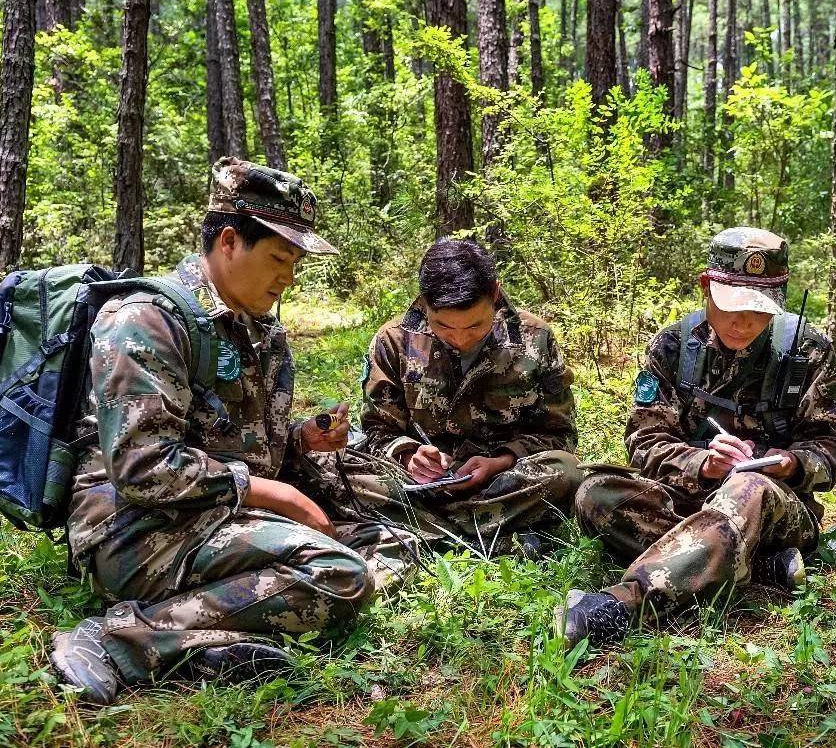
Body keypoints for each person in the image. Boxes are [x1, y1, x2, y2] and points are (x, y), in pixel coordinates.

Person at [51, 157, 381, 704]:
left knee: (385, 538)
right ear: (229, 241)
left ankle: (210, 649)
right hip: (139, 530)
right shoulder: (145, 319)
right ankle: (116, 642)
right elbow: (141, 467)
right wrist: (267, 491)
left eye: (296, 262)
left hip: (214, 514)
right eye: (279, 257)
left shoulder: (259, 327)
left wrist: (301, 441)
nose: (288, 277)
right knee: (340, 572)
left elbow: (246, 442)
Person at [557, 228, 836, 649]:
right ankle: (754, 564)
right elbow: (645, 439)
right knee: (596, 493)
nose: (743, 321)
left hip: (776, 510)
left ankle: (622, 607)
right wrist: (703, 464)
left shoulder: (808, 351)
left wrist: (788, 463)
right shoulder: (676, 345)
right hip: (690, 495)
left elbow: (835, 446)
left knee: (747, 485)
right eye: (731, 305)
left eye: (759, 309)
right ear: (706, 287)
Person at [313, 238, 583, 556]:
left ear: (494, 294)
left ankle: (429, 532)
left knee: (566, 473)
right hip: (415, 484)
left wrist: (501, 461)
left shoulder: (534, 340)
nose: (459, 338)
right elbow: (377, 430)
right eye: (443, 326)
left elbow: (558, 433)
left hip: (499, 482)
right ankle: (485, 533)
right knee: (328, 468)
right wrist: (407, 454)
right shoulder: (395, 341)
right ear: (425, 302)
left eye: (474, 326)